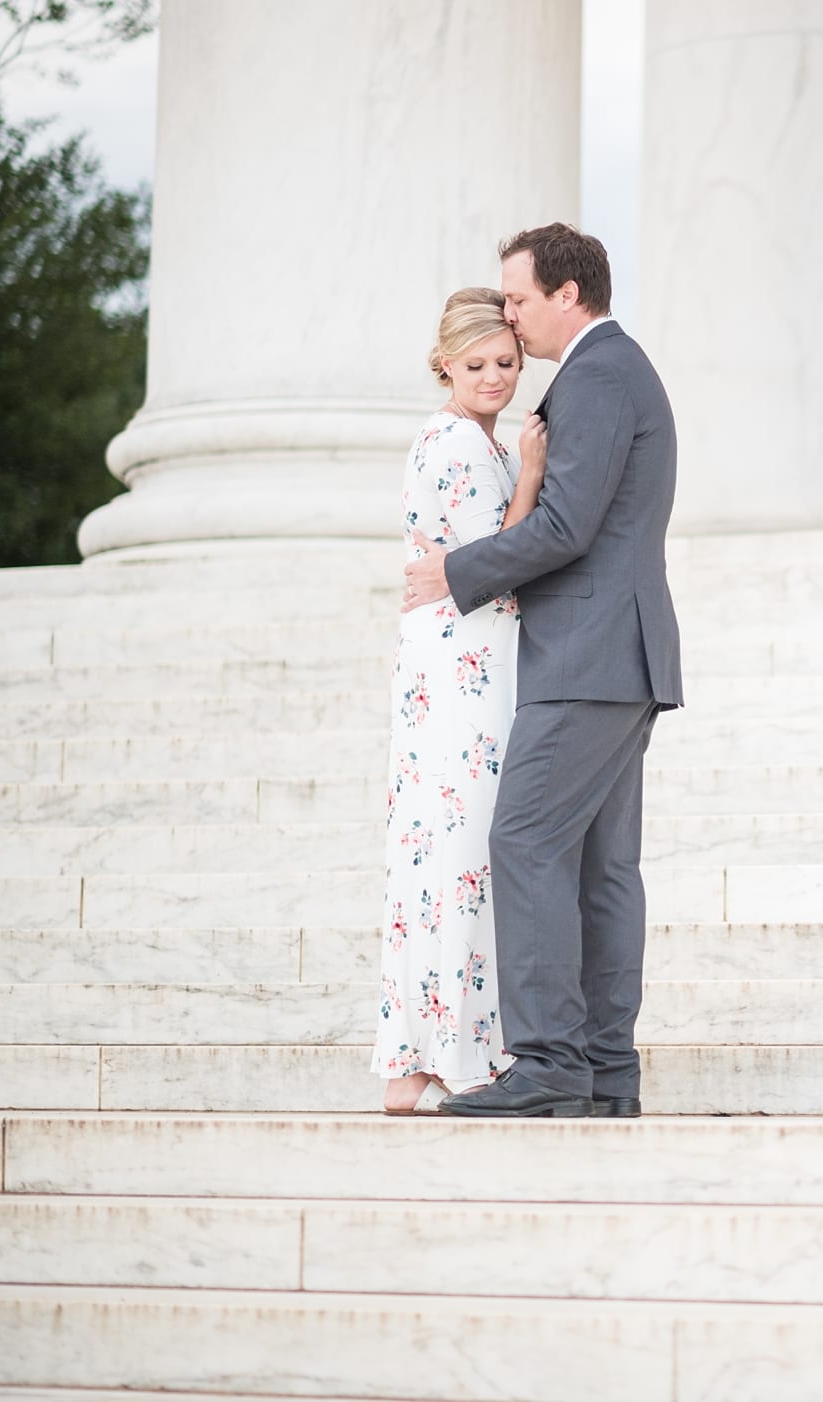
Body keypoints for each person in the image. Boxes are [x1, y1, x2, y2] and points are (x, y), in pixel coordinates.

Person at [401, 223, 684, 1119]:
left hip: (589, 657)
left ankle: (551, 1063)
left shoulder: (598, 377)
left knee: (523, 841)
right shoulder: (614, 371)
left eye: (519, 300)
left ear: (569, 294)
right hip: (613, 655)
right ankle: (603, 1071)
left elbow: (568, 529)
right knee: (601, 868)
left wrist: (456, 572)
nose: (513, 323)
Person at [374, 288, 545, 1114]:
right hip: (467, 662)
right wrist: (537, 472)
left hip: (453, 657)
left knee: (438, 848)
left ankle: (414, 1057)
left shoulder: (461, 439)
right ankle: (457, 1048)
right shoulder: (462, 444)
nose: (494, 378)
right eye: (475, 365)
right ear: (444, 364)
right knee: (464, 848)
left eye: (507, 363)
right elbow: (498, 555)